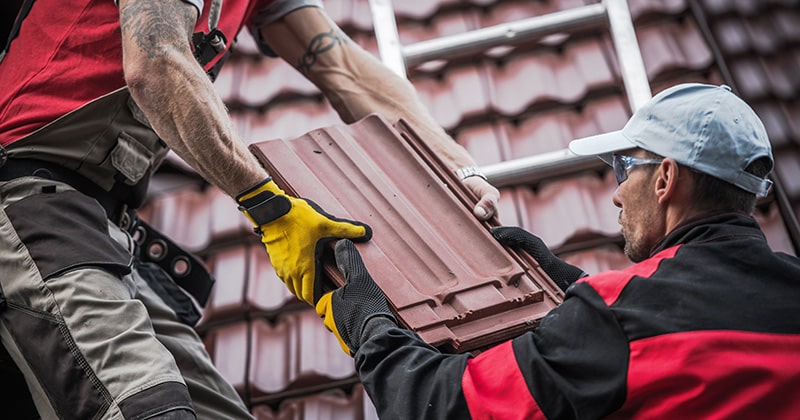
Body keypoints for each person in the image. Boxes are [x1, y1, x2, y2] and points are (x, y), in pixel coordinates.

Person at [0, 0, 500, 418]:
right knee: (150, 408)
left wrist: (456, 171)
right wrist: (271, 207)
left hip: (102, 227)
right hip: (27, 205)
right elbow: (156, 65)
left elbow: (343, 68)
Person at [312, 83, 800, 419]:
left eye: (625, 166)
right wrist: (573, 286)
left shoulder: (616, 321)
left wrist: (370, 324)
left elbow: (440, 406)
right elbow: (680, 324)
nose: (616, 191)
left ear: (666, 179)